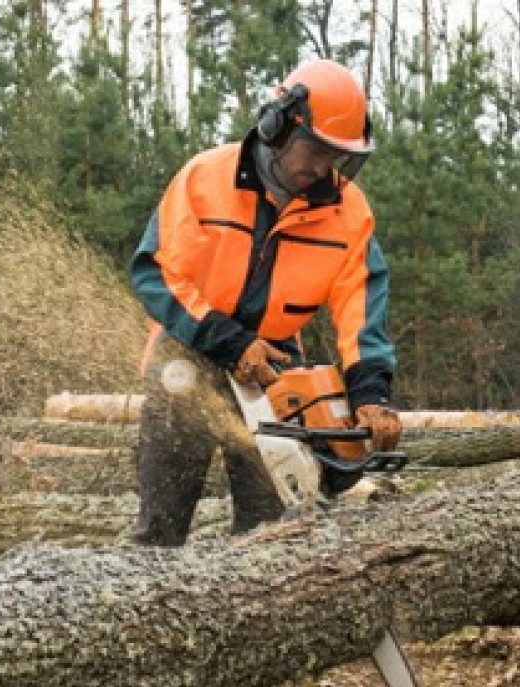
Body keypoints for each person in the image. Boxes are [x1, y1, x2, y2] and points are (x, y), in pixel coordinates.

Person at [129, 57, 402, 549]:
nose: (321, 167)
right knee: (161, 526)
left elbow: (361, 306)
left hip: (275, 364)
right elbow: (156, 274)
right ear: (278, 125)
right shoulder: (204, 180)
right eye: (315, 149)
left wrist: (371, 392)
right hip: (191, 351)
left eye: (335, 156)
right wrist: (230, 343)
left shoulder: (347, 213)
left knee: (273, 528)